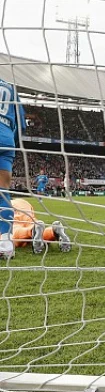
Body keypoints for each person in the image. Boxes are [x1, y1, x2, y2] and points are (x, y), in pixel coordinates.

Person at [0, 77, 25, 259]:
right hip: (6, 138)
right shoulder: (10, 87)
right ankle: (5, 243)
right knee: (2, 191)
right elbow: (21, 125)